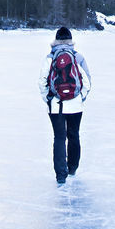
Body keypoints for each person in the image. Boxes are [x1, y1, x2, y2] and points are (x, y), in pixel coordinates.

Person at [40, 26, 91, 185]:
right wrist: (80, 98)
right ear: (70, 41)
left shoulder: (50, 58)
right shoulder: (78, 57)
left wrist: (49, 99)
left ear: (55, 41)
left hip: (56, 106)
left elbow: (42, 82)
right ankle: (73, 167)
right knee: (74, 135)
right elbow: (87, 81)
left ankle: (61, 176)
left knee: (59, 137)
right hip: (76, 105)